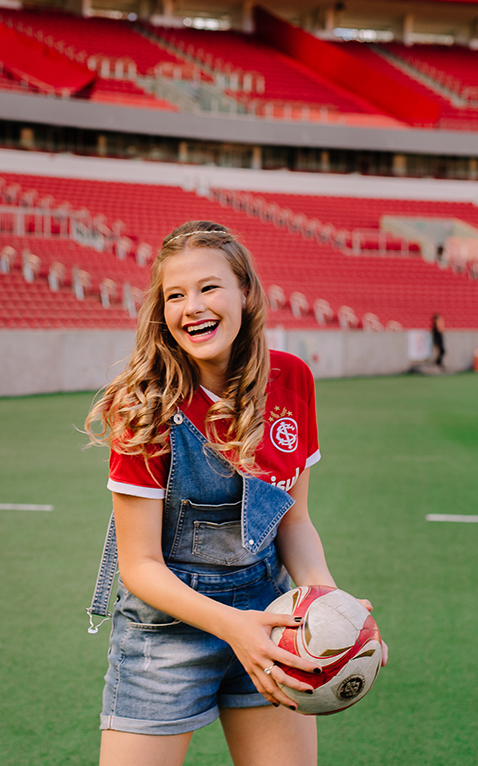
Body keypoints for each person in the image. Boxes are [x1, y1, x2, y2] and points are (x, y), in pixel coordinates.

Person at [84, 221, 382, 766]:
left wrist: (333, 612)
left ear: (245, 291)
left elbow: (294, 522)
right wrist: (233, 628)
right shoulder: (144, 404)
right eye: (175, 295)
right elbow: (139, 565)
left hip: (271, 621)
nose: (191, 307)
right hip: (165, 636)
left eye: (208, 287)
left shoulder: (293, 379)